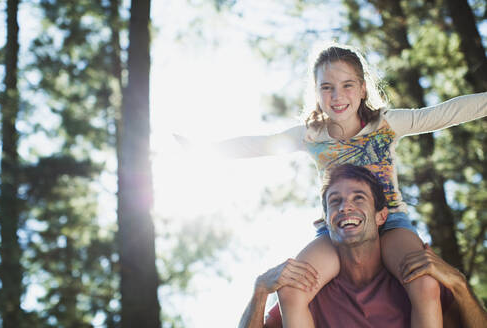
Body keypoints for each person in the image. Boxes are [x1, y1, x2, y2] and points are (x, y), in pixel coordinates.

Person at [176, 42, 487, 327]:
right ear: (317, 92)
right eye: (327, 88)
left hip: (390, 222)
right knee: (291, 289)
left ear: (363, 89)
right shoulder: (311, 135)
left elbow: (446, 113)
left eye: (347, 85)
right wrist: (204, 151)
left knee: (424, 282)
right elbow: (258, 144)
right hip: (335, 229)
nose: (337, 97)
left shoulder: (386, 124)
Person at [238, 164, 487, 328]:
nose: (345, 206)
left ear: (381, 216)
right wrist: (260, 291)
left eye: (358, 198)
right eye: (335, 201)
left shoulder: (414, 278)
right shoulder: (311, 290)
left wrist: (459, 284)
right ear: (325, 222)